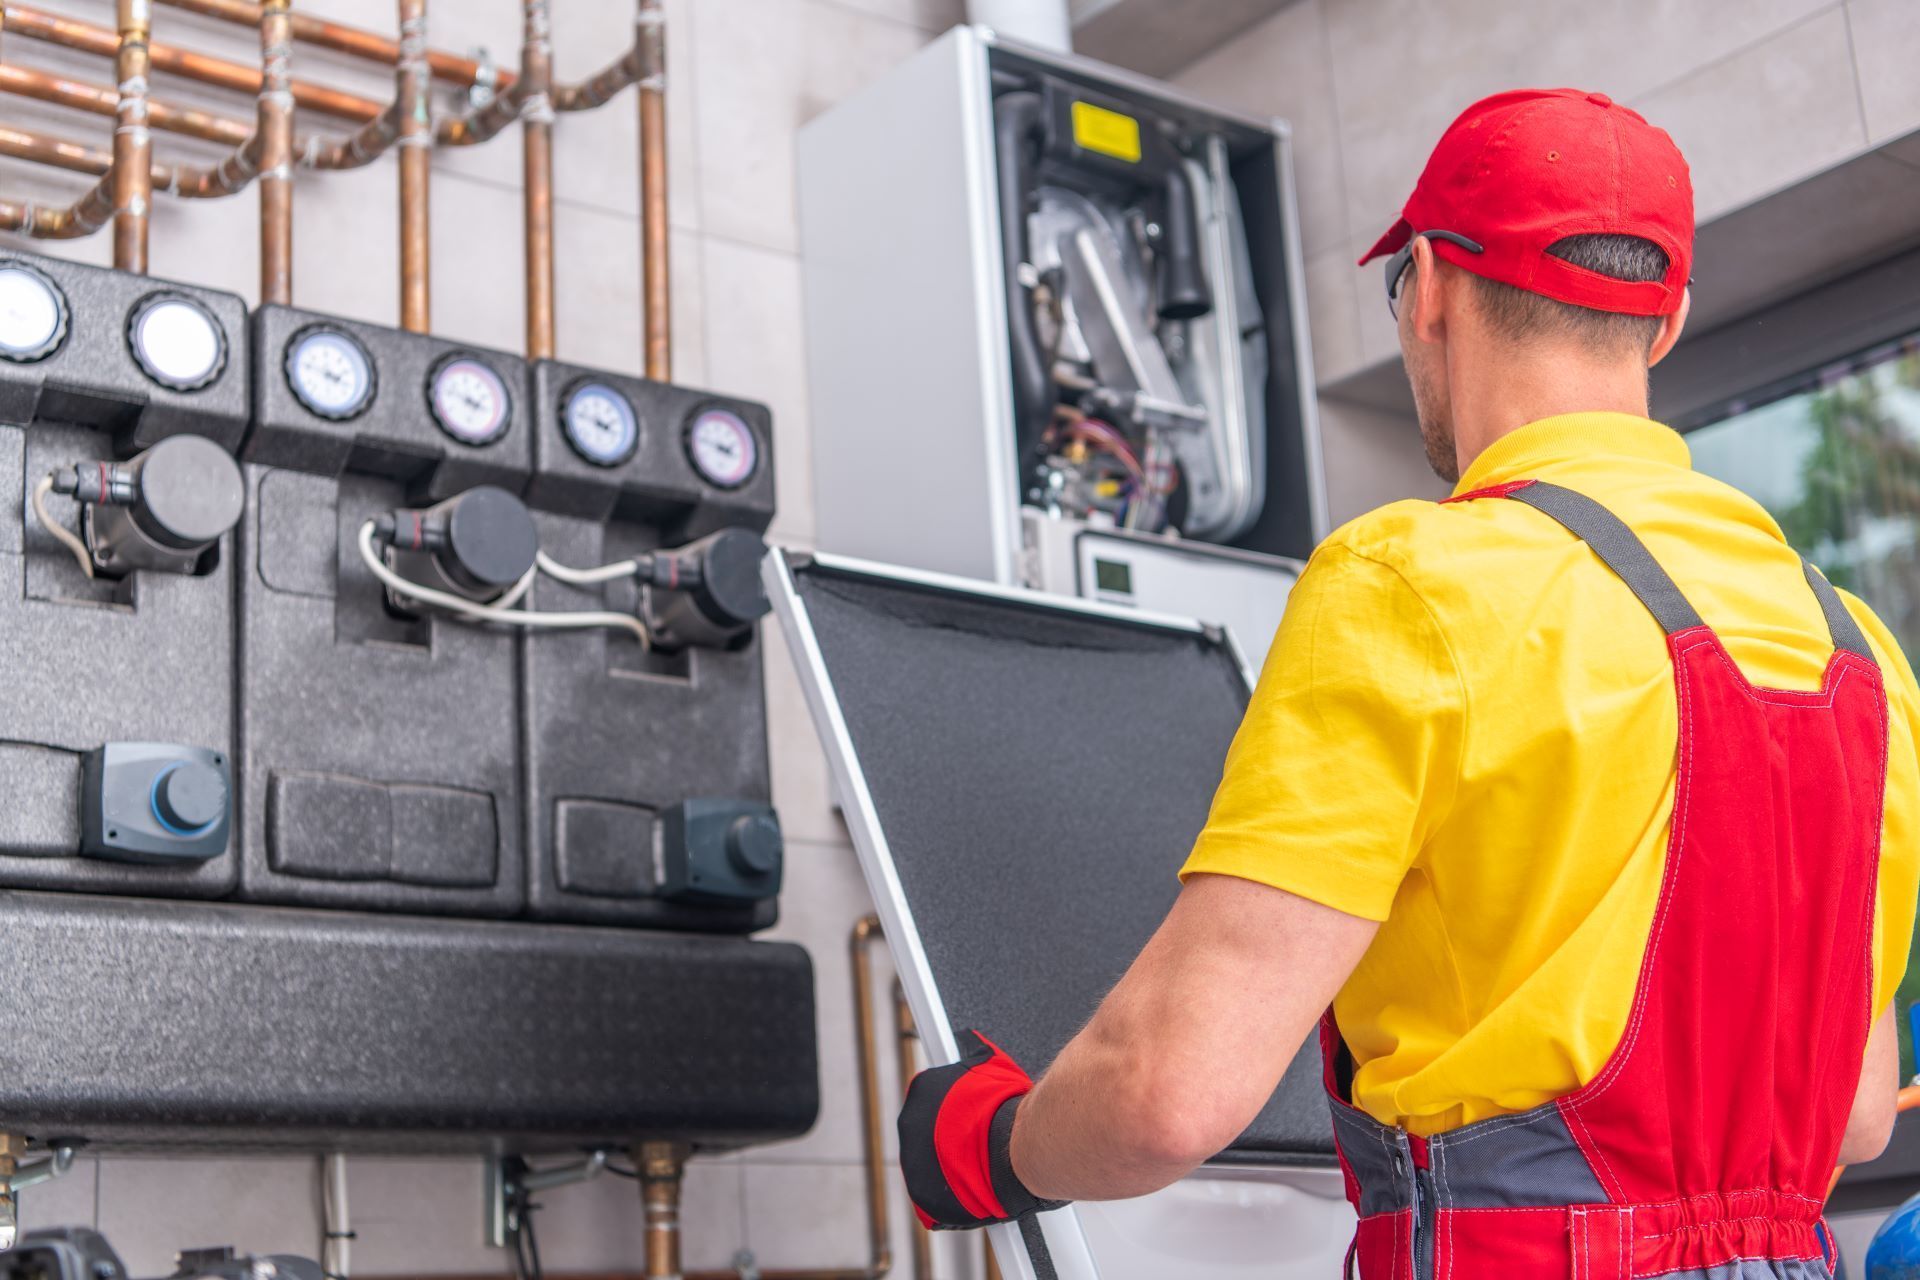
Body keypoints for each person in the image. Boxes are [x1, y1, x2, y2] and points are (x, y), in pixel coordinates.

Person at [895, 87, 1920, 1278]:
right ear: (1669, 317)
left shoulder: (1413, 581)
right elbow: (1850, 1118)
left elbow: (1168, 1091)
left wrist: (980, 1143)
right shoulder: (1859, 650)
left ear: (1428, 282)